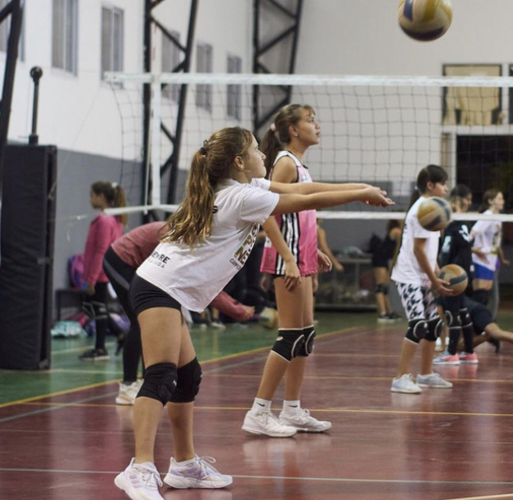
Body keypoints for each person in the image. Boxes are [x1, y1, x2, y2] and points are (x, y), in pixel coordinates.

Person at [113, 126, 392, 500]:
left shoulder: (243, 188)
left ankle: (185, 465)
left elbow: (303, 189)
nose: (264, 155)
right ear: (239, 162)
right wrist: (360, 194)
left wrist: (362, 187)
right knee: (161, 375)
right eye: (257, 150)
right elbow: (306, 200)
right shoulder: (241, 196)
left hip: (165, 287)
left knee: (188, 376)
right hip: (159, 286)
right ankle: (139, 469)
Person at [243, 104, 340, 438]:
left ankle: (292, 409)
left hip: (301, 257)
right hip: (289, 259)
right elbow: (266, 213)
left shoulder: (299, 165)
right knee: (290, 336)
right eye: (310, 121)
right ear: (294, 130)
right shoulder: (285, 163)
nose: (317, 125)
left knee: (304, 336)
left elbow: (299, 216)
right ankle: (258, 411)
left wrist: (313, 251)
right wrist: (287, 257)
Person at [104, 221, 255, 406]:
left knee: (145, 323)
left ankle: (146, 382)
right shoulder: (182, 240)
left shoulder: (191, 237)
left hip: (138, 266)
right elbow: (202, 284)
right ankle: (127, 386)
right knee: (140, 321)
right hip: (119, 261)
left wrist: (236, 306)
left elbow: (205, 282)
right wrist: (236, 310)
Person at [389, 165, 454, 394]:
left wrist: (437, 274)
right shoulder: (424, 210)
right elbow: (418, 250)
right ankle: (400, 378)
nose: (446, 188)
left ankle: (425, 374)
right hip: (409, 276)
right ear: (430, 185)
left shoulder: (432, 208)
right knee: (418, 325)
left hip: (423, 276)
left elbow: (428, 251)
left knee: (434, 325)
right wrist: (435, 280)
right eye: (443, 184)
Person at [79, 181, 126, 361]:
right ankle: (120, 334)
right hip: (99, 273)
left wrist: (91, 279)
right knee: (93, 308)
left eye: (92, 195)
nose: (90, 199)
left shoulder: (105, 221)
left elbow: (101, 251)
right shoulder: (109, 219)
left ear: (101, 197)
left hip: (99, 274)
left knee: (97, 309)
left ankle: (100, 349)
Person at [433, 185, 478, 365]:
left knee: (452, 312)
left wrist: (441, 274)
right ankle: (469, 351)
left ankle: (451, 353)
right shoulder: (463, 225)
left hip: (453, 275)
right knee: (463, 311)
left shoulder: (453, 227)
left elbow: (446, 253)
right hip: (464, 273)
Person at [470, 189, 507, 308]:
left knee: (486, 297)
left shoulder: (497, 218)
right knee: (480, 296)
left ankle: (483, 319)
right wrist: (471, 248)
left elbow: (496, 243)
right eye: (499, 199)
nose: (502, 201)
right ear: (490, 201)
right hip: (481, 261)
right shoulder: (487, 216)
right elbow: (473, 232)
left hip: (491, 261)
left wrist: (502, 258)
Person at [372, 220, 402, 323]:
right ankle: (382, 314)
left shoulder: (396, 230)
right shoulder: (396, 230)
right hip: (379, 258)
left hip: (385, 259)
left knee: (385, 287)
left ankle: (389, 312)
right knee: (380, 286)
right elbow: (402, 244)